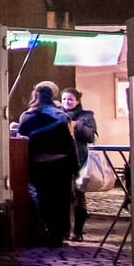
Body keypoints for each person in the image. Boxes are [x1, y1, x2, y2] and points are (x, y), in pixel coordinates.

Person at [16, 81, 78, 246]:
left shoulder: (28, 117)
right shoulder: (62, 116)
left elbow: (22, 139)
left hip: (40, 166)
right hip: (61, 166)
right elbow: (70, 144)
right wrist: (75, 166)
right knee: (61, 201)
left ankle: (43, 231)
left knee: (44, 200)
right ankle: (58, 235)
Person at [59, 88, 99, 239]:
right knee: (64, 197)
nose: (66, 103)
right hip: (62, 160)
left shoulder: (86, 116)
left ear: (77, 101)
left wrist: (77, 125)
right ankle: (64, 230)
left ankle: (78, 231)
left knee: (79, 196)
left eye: (70, 99)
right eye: (64, 99)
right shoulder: (58, 115)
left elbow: (91, 136)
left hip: (79, 161)